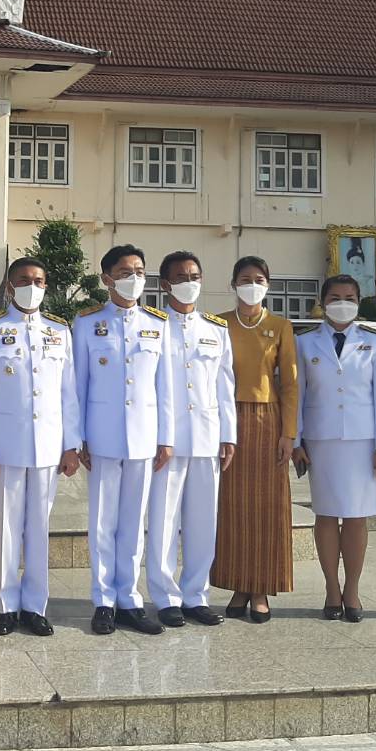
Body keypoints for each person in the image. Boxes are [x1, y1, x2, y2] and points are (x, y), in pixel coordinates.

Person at [0, 256, 81, 637]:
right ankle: (5, 605)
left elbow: (69, 393)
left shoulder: (59, 331)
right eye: (24, 280)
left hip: (48, 447)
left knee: (39, 528)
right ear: (10, 286)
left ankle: (35, 605)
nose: (32, 285)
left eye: (39, 279)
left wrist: (71, 445)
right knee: (7, 527)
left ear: (46, 286)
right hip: (5, 448)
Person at [72, 244, 172, 636]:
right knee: (102, 522)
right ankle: (103, 600)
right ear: (107, 278)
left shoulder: (156, 323)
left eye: (140, 271)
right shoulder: (87, 323)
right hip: (102, 436)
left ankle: (129, 599)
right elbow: (77, 384)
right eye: (126, 272)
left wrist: (165, 437)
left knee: (134, 522)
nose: (134, 279)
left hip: (145, 437)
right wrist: (78, 436)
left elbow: (164, 388)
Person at [292, 274, 376, 623]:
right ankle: (331, 589)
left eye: (349, 297)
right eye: (335, 297)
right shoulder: (304, 343)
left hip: (361, 441)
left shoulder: (375, 343)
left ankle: (352, 590)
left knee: (355, 516)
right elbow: (297, 396)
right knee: (325, 514)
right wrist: (296, 440)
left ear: (359, 301)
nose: (342, 303)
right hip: (321, 441)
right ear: (323, 301)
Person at [146, 250, 236, 628]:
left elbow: (225, 385)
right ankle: (166, 597)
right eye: (181, 276)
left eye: (195, 275)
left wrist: (228, 435)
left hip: (206, 437)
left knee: (203, 522)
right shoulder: (152, 325)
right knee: (164, 521)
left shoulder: (215, 329)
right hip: (166, 441)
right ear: (165, 284)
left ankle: (196, 595)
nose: (189, 282)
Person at [211, 255, 298, 623]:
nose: (252, 284)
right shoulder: (216, 324)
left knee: (266, 506)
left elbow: (291, 383)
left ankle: (261, 587)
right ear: (233, 284)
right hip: (226, 419)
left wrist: (288, 433)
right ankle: (237, 584)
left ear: (268, 284)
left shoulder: (280, 326)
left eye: (259, 278)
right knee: (231, 506)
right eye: (245, 278)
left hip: (266, 419)